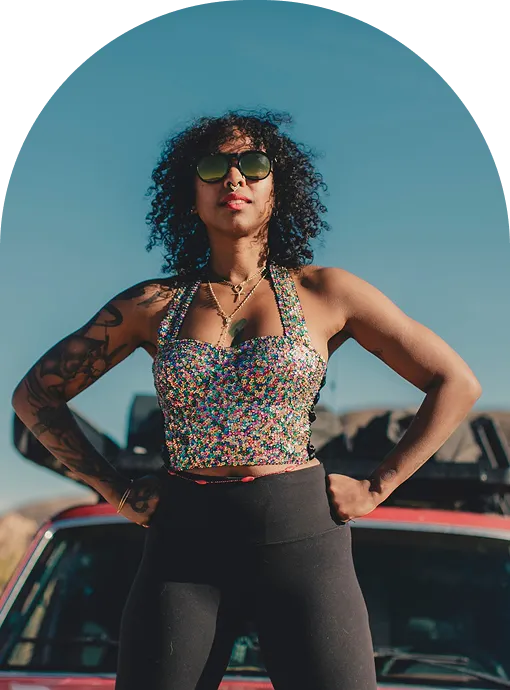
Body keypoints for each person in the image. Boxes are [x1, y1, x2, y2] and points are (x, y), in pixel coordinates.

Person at [11, 109, 482, 690]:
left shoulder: (326, 292)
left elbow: (455, 382)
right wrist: (116, 490)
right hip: (183, 547)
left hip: (302, 540)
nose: (233, 177)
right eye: (213, 167)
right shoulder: (152, 305)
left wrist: (377, 487)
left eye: (252, 164)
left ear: (277, 188)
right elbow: (35, 395)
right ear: (191, 194)